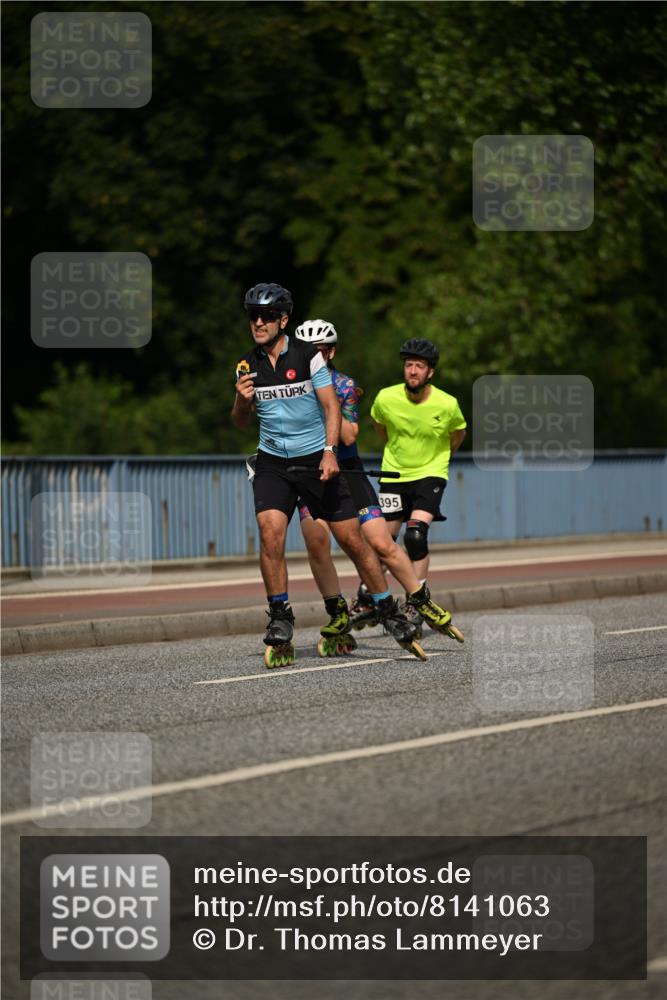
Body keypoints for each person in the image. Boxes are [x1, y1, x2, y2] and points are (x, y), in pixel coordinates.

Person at [231, 283, 420, 668]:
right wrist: (240, 400)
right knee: (270, 533)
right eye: (253, 316)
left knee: (352, 541)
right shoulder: (247, 365)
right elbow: (239, 423)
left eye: (267, 316)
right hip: (272, 463)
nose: (259, 322)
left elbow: (332, 408)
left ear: (284, 320)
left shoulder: (308, 358)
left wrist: (331, 452)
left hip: (316, 460)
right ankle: (280, 615)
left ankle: (386, 607)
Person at [294, 320, 464, 645]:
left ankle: (417, 598)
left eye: (319, 352)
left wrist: (323, 399)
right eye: (306, 352)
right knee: (317, 542)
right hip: (316, 473)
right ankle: (341, 611)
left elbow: (350, 435)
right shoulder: (292, 384)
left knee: (393, 540)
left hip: (353, 472)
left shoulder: (343, 385)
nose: (312, 358)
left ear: (330, 353)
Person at [366, 338, 467, 633]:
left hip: (430, 474)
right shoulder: (385, 398)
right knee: (382, 542)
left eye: (419, 366)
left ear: (430, 373)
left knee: (415, 535)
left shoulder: (447, 404)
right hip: (395, 474)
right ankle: (370, 598)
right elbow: (380, 427)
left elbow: (457, 434)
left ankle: (416, 601)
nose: (412, 371)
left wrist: (438, 459)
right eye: (408, 365)